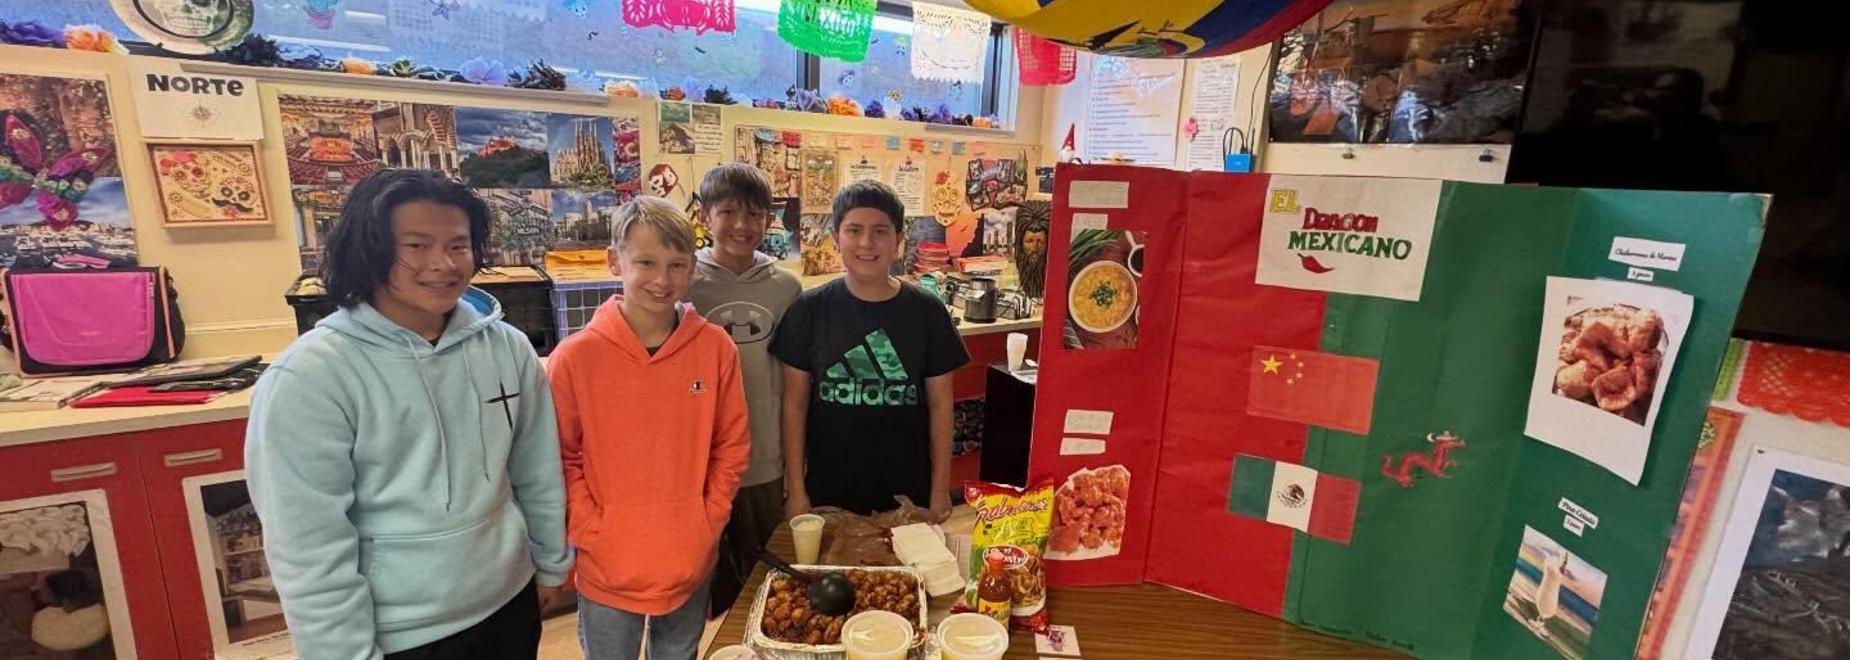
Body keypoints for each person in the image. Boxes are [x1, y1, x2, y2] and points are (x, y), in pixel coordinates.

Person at [245, 170, 570, 660]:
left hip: (508, 604)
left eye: (458, 245)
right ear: (370, 250)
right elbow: (308, 545)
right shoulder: (310, 377)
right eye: (416, 246)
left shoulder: (508, 348)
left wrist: (549, 564)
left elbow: (536, 469)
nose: (442, 264)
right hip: (400, 633)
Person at [550, 196, 750, 660]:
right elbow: (561, 456)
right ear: (614, 261)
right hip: (606, 564)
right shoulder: (575, 359)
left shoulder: (716, 349)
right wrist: (590, 527)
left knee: (679, 653)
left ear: (692, 268)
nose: (663, 280)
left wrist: (708, 518)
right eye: (646, 262)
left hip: (689, 555)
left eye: (678, 264)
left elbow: (732, 444)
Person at [773, 180, 970, 521]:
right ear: (836, 238)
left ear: (898, 241)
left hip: (909, 493)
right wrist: (796, 489)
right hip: (828, 491)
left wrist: (940, 491)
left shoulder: (927, 312)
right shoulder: (809, 310)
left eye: (880, 231)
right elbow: (794, 405)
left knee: (904, 576)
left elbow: (941, 406)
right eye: (854, 230)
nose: (866, 243)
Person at [684, 164, 802, 617]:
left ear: (769, 221)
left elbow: (795, 381)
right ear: (704, 217)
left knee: (769, 581)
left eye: (754, 214)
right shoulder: (683, 283)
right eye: (728, 211)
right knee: (707, 587)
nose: (741, 225)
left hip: (767, 457)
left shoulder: (786, 289)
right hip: (702, 463)